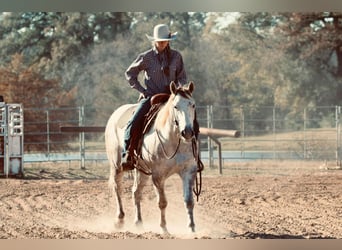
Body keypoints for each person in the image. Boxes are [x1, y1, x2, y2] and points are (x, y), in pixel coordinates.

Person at [121, 24, 188, 169]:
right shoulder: (147, 57)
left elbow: (182, 77)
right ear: (154, 41)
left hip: (171, 97)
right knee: (134, 121)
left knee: (189, 118)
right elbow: (130, 74)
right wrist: (142, 90)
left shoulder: (176, 56)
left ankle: (192, 155)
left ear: (169, 40)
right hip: (151, 96)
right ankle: (128, 153)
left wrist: (178, 89)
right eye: (160, 40)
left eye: (165, 40)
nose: (163, 43)